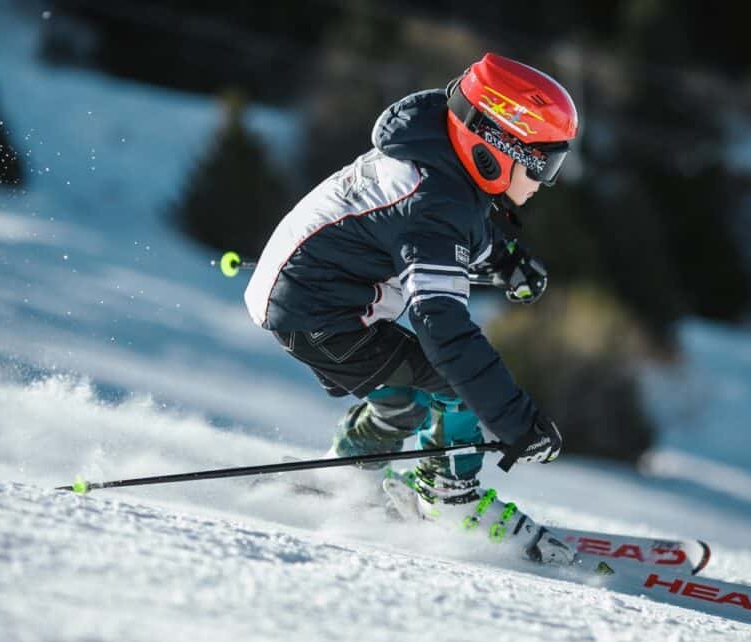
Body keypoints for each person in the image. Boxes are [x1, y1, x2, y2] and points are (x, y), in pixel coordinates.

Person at [244, 53, 579, 565]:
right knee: (454, 386)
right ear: (497, 146)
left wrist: (505, 258)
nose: (543, 182)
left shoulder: (436, 156)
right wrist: (516, 422)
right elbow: (442, 328)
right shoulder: (433, 204)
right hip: (321, 315)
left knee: (408, 396)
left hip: (310, 298)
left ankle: (348, 473)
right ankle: (448, 496)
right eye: (544, 163)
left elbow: (456, 224)